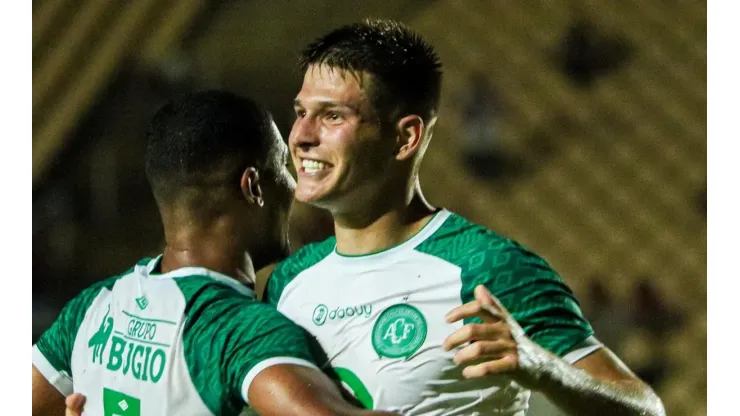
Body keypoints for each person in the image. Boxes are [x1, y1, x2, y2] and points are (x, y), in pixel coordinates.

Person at [265, 19, 665, 415]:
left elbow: (645, 409)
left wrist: (545, 367)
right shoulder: (286, 283)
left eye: (332, 116)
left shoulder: (490, 268)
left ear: (406, 138)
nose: (300, 135)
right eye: (301, 112)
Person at [31, 91, 396, 416]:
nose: (294, 185)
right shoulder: (237, 331)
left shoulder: (93, 309)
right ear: (253, 186)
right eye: (283, 168)